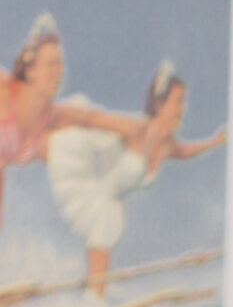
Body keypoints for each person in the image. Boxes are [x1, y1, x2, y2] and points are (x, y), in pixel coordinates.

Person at [45, 60, 226, 297]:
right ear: (159, 104)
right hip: (93, 191)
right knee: (104, 227)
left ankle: (95, 294)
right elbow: (94, 119)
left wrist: (214, 142)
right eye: (177, 101)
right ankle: (94, 298)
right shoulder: (138, 129)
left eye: (183, 101)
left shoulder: (168, 144)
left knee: (108, 227)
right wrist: (50, 116)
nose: (182, 108)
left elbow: (184, 152)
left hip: (111, 200)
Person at [0, 15, 135, 230]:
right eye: (51, 64)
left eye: (60, 65)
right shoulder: (5, 90)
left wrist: (145, 130)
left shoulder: (54, 115)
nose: (59, 72)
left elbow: (96, 119)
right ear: (30, 70)